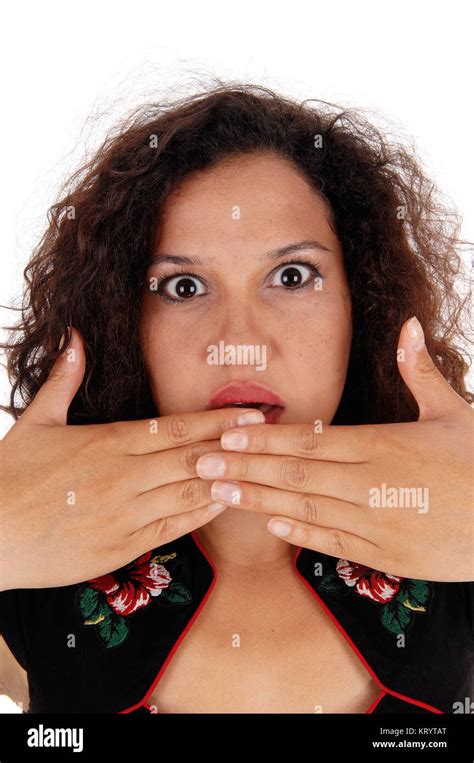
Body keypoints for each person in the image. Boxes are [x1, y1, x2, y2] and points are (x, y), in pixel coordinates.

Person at [1, 83, 473, 714]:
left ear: (362, 301)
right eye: (184, 286)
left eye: (292, 276)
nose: (240, 345)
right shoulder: (33, 557)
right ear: (122, 318)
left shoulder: (455, 543)